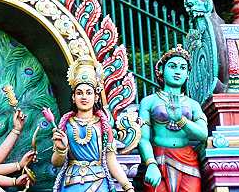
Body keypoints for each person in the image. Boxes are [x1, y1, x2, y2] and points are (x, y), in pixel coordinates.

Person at [51, 58, 134, 192]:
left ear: (96, 97)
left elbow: (111, 161)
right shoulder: (65, 125)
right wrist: (61, 149)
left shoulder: (104, 126)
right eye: (79, 93)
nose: (84, 97)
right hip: (70, 183)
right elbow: (56, 162)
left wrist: (127, 186)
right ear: (73, 97)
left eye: (89, 93)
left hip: (99, 183)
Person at [137, 46, 207, 192]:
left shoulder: (192, 105)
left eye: (182, 68)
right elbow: (142, 138)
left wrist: (180, 119)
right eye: (172, 66)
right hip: (158, 159)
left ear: (187, 74)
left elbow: (203, 134)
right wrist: (150, 164)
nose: (177, 71)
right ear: (161, 69)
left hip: (188, 161)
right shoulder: (149, 101)